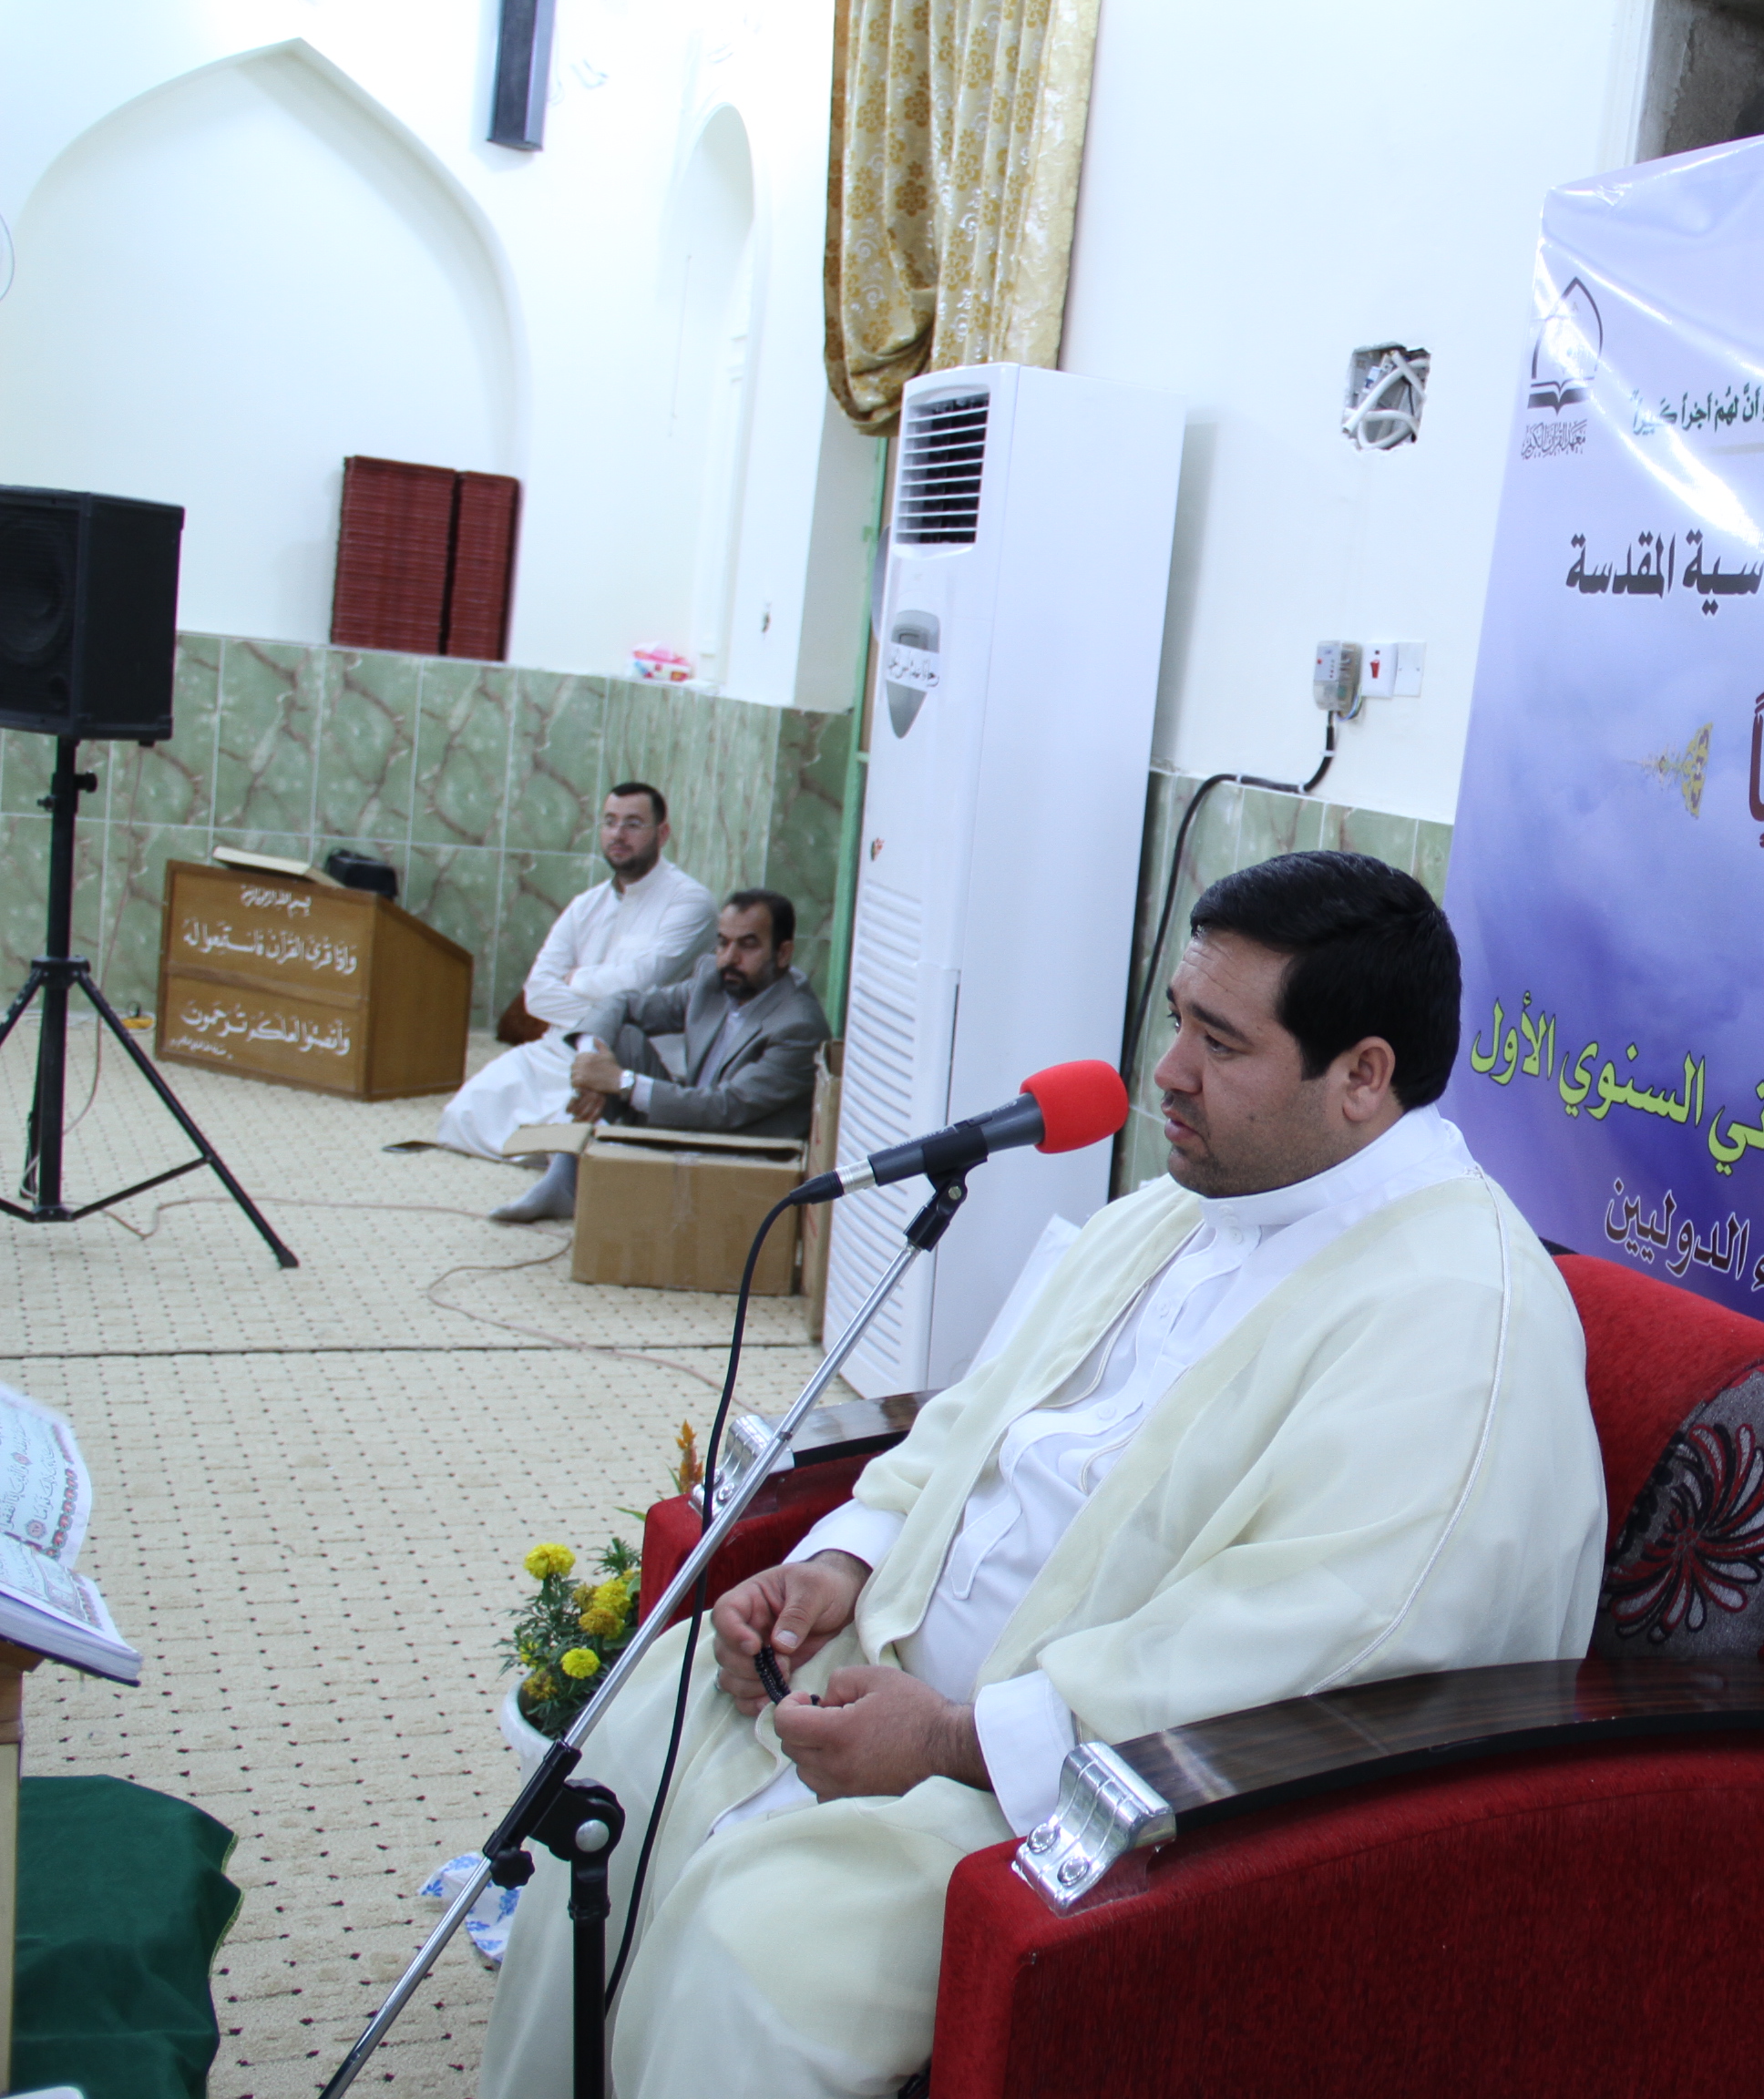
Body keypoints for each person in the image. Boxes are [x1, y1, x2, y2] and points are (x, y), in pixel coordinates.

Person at [477, 853, 1601, 2099]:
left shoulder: (1456, 1324)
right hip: (881, 1666)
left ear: (1362, 1076)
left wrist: (953, 1741)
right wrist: (839, 1560)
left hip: (1068, 1799)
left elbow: (1323, 1660)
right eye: (1177, 1020)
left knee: (755, 1953)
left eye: (1220, 1043)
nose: (1166, 1072)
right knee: (624, 1756)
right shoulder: (1187, 1207)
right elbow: (976, 1420)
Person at [491, 887, 832, 1222]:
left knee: (618, 1072)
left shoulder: (797, 1026)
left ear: (783, 954)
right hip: (694, 1120)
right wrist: (591, 1062)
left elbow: (725, 1107)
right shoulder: (714, 981)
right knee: (619, 1037)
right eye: (723, 942)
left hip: (736, 1152)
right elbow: (624, 1003)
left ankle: (573, 1181)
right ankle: (564, 1180)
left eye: (748, 945)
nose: (729, 958)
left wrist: (622, 1082)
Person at [432, 783, 715, 1170]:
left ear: (662, 833)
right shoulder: (586, 904)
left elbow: (641, 983)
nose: (618, 834)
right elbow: (537, 993)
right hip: (561, 1045)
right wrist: (598, 1012)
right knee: (462, 1114)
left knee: (579, 1142)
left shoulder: (690, 901)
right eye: (610, 822)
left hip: (633, 1055)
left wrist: (576, 978)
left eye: (633, 824)